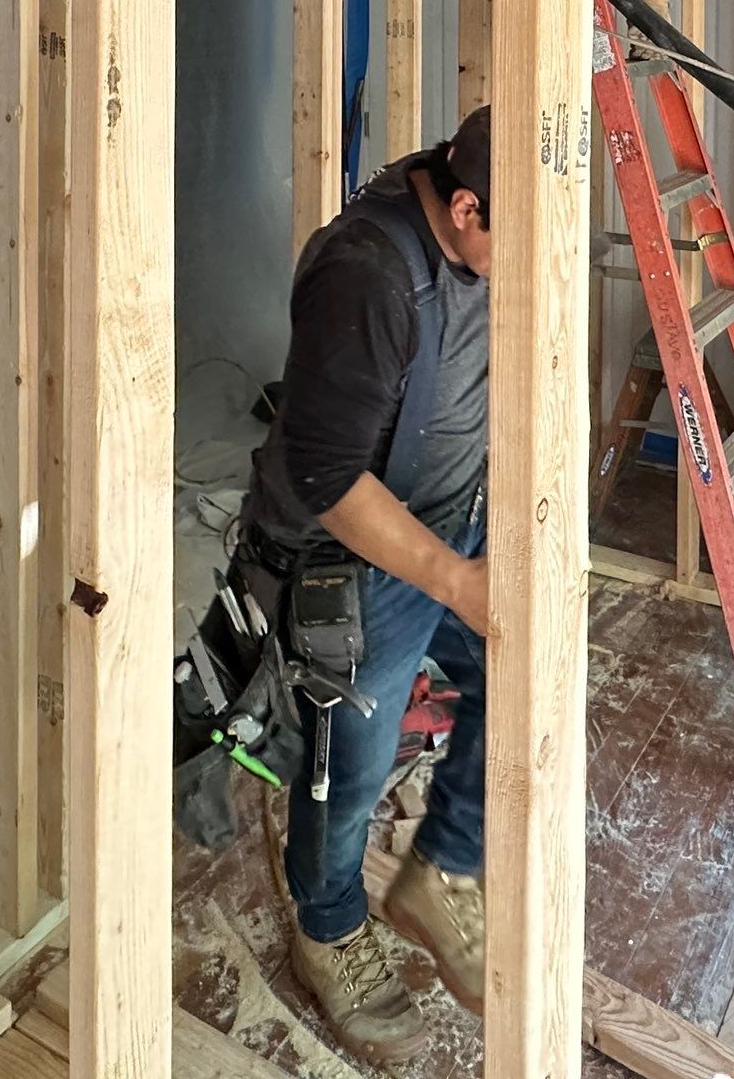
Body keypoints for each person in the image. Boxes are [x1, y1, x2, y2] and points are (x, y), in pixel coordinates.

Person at [239, 107, 497, 1063]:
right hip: (351, 566)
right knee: (344, 776)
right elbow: (328, 481)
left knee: (522, 668)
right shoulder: (368, 275)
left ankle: (443, 866)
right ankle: (329, 926)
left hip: (445, 531)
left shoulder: (469, 237)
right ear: (465, 207)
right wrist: (458, 583)